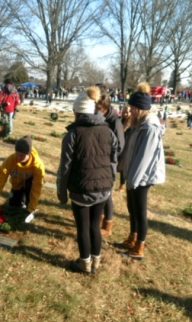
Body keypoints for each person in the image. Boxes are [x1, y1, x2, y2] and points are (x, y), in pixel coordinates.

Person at [57, 86, 118, 274]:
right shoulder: (108, 132)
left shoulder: (73, 134)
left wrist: (62, 192)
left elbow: (65, 167)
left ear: (77, 112)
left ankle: (85, 263)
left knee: (83, 227)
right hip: (102, 188)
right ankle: (96, 261)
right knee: (94, 227)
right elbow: (113, 161)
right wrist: (110, 183)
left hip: (81, 189)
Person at [121, 82, 166, 260]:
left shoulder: (149, 128)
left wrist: (133, 179)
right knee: (131, 207)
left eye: (132, 108)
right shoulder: (137, 125)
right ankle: (132, 237)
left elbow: (145, 157)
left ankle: (140, 246)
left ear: (140, 109)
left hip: (143, 176)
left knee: (140, 210)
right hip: (133, 174)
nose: (130, 111)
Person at [0, 136, 45, 213]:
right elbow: (0, 180)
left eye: (22, 156)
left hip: (30, 186)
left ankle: (28, 204)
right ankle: (20, 200)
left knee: (30, 186)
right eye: (17, 154)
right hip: (17, 185)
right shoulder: (11, 160)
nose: (19, 157)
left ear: (29, 154)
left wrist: (31, 209)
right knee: (13, 205)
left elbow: (37, 187)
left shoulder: (38, 165)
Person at [95, 92, 125, 237]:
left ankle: (108, 224)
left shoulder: (115, 122)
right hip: (99, 162)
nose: (97, 110)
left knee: (107, 194)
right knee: (100, 192)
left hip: (109, 163)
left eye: (100, 108)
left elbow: (119, 146)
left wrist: (107, 157)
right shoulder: (101, 118)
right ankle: (99, 220)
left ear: (107, 107)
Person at [118, 106, 131, 191]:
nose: (125, 114)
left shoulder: (132, 123)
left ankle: (123, 185)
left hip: (127, 146)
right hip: (120, 145)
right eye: (124, 112)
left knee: (124, 166)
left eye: (127, 112)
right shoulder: (121, 121)